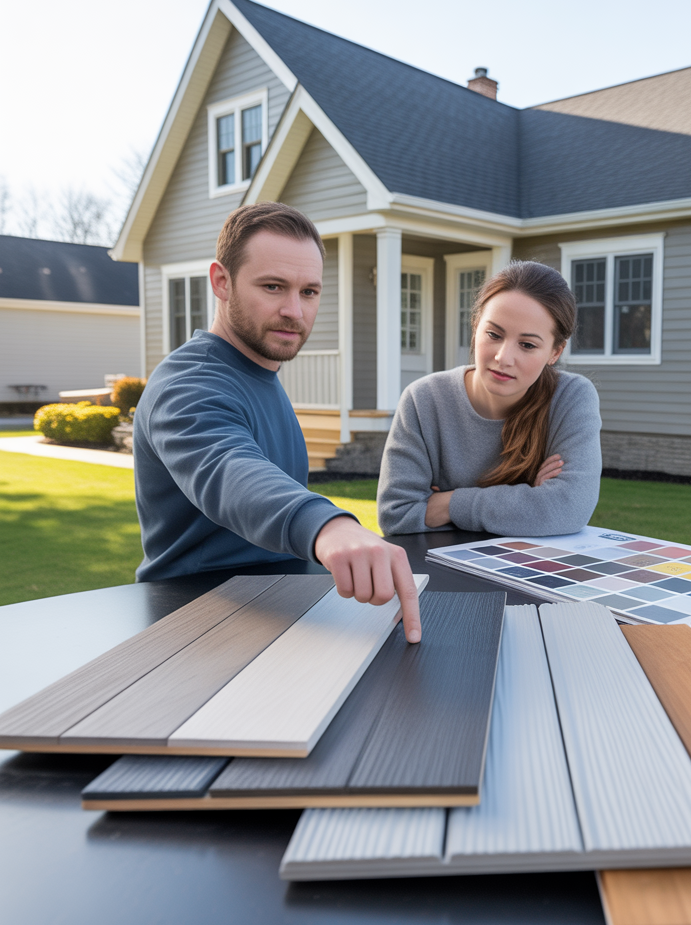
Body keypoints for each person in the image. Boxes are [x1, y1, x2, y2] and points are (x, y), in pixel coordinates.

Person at [133, 202, 421, 641]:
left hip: (278, 604)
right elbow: (229, 470)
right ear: (221, 282)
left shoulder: (257, 371)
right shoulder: (187, 385)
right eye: (273, 286)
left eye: (309, 292)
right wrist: (328, 525)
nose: (295, 310)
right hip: (198, 623)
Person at [377, 260, 602, 537]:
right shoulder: (424, 400)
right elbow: (396, 515)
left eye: (527, 345)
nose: (503, 358)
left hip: (528, 571)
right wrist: (528, 497)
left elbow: (568, 508)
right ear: (475, 328)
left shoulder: (571, 397)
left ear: (555, 352)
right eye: (494, 334)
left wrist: (449, 503)